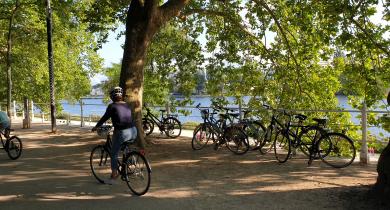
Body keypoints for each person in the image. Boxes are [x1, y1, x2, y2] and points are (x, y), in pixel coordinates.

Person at [92, 86, 137, 184]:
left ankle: (114, 175)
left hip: (122, 132)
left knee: (114, 153)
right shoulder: (127, 105)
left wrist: (96, 126)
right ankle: (129, 163)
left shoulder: (112, 106)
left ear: (112, 96)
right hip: (134, 131)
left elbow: (105, 118)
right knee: (125, 145)